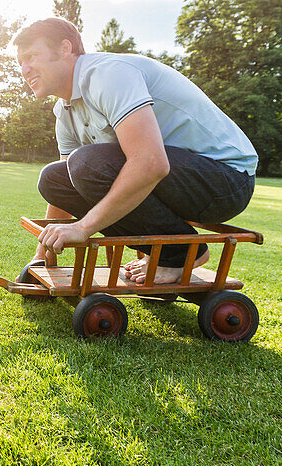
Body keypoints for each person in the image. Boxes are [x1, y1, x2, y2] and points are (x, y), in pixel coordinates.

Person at [14, 17, 257, 284]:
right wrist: (42, 256)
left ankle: (180, 253)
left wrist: (83, 227)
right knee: (54, 179)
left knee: (86, 163)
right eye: (20, 62)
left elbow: (151, 163)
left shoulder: (109, 75)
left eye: (31, 56)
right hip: (178, 181)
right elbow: (66, 184)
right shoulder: (64, 110)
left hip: (226, 180)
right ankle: (168, 250)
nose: (24, 69)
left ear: (64, 48)